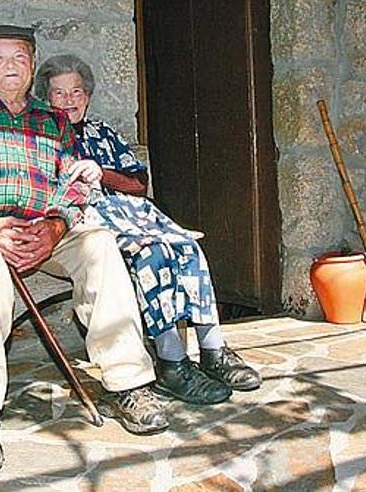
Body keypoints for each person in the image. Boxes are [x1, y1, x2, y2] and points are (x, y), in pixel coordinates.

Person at [0, 25, 169, 475]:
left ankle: (130, 383)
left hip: (42, 225)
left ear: (33, 64)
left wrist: (56, 227)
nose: (10, 67)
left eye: (19, 57)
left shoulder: (52, 119)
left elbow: (72, 183)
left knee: (99, 244)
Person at [35, 54, 262, 406]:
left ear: (88, 96)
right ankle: (172, 362)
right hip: (89, 224)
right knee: (151, 254)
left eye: (76, 92)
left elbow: (139, 183)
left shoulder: (102, 133)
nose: (69, 101)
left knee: (186, 247)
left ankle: (214, 350)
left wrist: (102, 171)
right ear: (46, 100)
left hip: (134, 214)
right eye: (59, 94)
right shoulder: (41, 138)